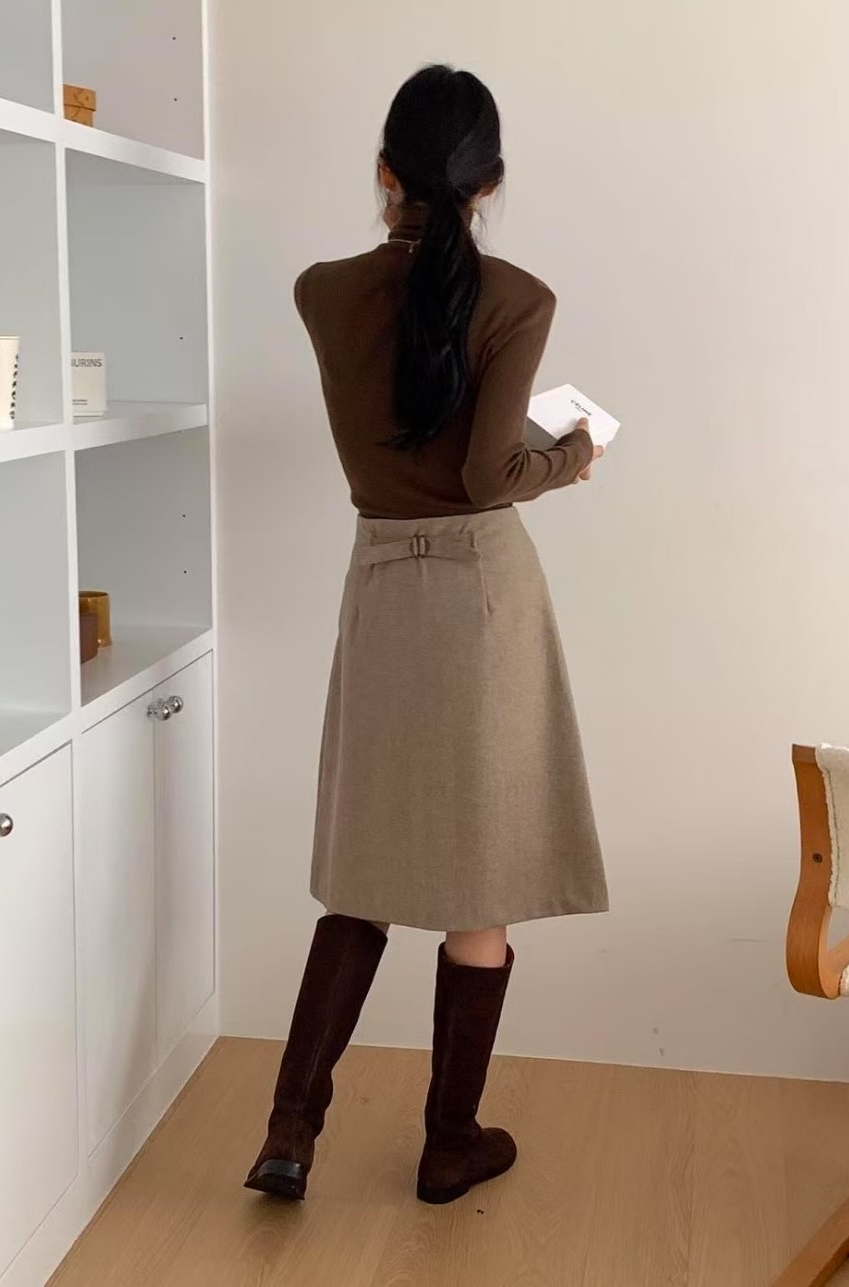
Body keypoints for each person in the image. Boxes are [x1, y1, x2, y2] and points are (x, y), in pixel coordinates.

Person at [245, 64, 608, 1207]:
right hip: (483, 598)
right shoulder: (520, 299)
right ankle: (449, 1143)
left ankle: (290, 1133)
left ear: (384, 172)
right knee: (477, 882)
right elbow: (489, 474)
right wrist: (573, 456)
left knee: (362, 872)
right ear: (489, 183)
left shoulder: (320, 291)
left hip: (383, 588)